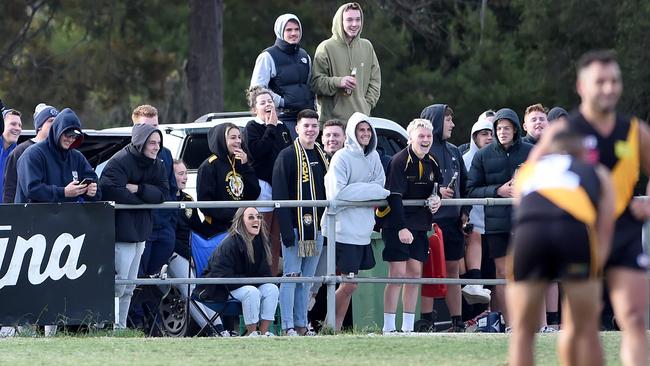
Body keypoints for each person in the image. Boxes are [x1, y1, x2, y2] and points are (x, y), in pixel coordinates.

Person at [567, 50, 649, 366]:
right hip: (580, 234)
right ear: (581, 86)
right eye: (600, 81)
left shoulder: (634, 131)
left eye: (614, 80)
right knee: (578, 325)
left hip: (625, 231)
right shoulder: (566, 132)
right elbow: (530, 178)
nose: (609, 88)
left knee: (632, 317)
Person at [507, 127, 615, 366]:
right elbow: (605, 228)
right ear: (583, 152)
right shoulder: (595, 171)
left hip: (530, 233)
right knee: (585, 329)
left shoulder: (529, 170)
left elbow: (520, 209)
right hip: (572, 231)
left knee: (523, 332)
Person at [322, 112, 389, 331]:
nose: (366, 134)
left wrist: (361, 192)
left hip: (363, 232)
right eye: (362, 130)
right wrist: (369, 191)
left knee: (350, 284)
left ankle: (335, 327)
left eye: (369, 130)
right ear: (353, 132)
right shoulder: (341, 157)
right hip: (342, 231)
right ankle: (329, 326)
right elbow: (337, 193)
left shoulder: (375, 157)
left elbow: (382, 192)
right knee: (348, 284)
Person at [466, 108, 532, 326]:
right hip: (496, 224)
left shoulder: (531, 152)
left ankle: (530, 322)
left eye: (506, 128)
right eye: (498, 128)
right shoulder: (481, 156)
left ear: (515, 129)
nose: (502, 132)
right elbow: (470, 190)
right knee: (502, 273)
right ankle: (511, 324)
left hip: (526, 223)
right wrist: (498, 191)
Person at [99, 123, 169, 330]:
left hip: (142, 231)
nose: (156, 147)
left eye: (158, 143)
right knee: (118, 283)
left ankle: (119, 327)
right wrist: (145, 201)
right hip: (122, 231)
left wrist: (138, 189)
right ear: (140, 143)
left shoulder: (158, 164)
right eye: (152, 143)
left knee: (129, 285)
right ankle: (106, 325)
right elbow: (111, 189)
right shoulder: (119, 161)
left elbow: (163, 193)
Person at [378, 118, 442, 334]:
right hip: (397, 224)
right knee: (397, 274)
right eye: (421, 136)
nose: (425, 140)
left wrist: (437, 199)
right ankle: (388, 327)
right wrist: (401, 228)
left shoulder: (433, 160)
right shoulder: (399, 160)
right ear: (411, 138)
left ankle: (407, 327)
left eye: (428, 136)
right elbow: (394, 197)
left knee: (415, 274)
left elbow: (436, 188)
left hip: (420, 225)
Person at [419, 104, 475, 332]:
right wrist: (436, 190)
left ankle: (457, 321)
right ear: (435, 121)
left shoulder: (454, 151)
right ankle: (425, 321)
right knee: (427, 271)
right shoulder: (421, 149)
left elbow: (466, 185)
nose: (452, 124)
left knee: (453, 270)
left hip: (452, 222)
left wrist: (465, 212)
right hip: (429, 222)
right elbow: (411, 184)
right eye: (448, 120)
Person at [272, 109, 328, 336]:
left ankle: (301, 324)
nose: (311, 130)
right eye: (306, 126)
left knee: (306, 281)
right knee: (292, 277)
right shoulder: (286, 156)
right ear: (297, 128)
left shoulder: (322, 156)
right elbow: (280, 194)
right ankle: (287, 326)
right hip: (295, 230)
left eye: (314, 126)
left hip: (316, 228)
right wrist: (286, 229)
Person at [196, 207, 279, 337]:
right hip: (220, 289)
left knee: (272, 289)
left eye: (258, 217)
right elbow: (222, 276)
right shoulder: (230, 244)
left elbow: (265, 274)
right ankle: (252, 334)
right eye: (251, 217)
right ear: (241, 221)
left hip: (243, 285)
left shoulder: (260, 242)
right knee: (251, 292)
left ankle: (263, 333)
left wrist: (252, 281)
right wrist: (250, 281)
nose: (256, 220)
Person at [245, 86, 292, 275]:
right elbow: (257, 152)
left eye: (270, 101)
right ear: (255, 108)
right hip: (262, 186)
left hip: (281, 187)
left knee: (275, 239)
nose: (267, 105)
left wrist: (275, 126)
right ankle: (259, 276)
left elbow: (288, 154)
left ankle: (271, 278)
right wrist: (270, 127)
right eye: (262, 102)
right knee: (260, 236)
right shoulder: (252, 127)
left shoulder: (282, 127)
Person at [311, 2, 381, 123]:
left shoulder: (367, 46)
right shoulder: (326, 47)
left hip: (360, 123)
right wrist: (339, 82)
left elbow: (375, 81)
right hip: (331, 125)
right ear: (340, 22)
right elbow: (316, 83)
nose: (354, 24)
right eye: (349, 20)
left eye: (358, 19)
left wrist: (366, 105)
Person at [131, 105, 178, 278]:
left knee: (156, 280)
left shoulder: (165, 154)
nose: (152, 131)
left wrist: (169, 219)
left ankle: (150, 306)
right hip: (141, 227)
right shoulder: (128, 155)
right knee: (138, 280)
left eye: (155, 126)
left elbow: (172, 190)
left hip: (164, 227)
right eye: (147, 127)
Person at [15, 108, 99, 204]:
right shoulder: (33, 154)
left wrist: (91, 191)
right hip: (34, 217)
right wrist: (63, 192)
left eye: (75, 136)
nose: (71, 139)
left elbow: (96, 187)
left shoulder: (77, 157)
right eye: (68, 134)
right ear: (57, 131)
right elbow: (31, 189)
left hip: (67, 216)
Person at [250, 14, 315, 138]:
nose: (293, 33)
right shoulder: (267, 56)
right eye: (288, 30)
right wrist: (281, 101)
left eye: (297, 29)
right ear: (280, 31)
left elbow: (310, 84)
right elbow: (257, 89)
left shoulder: (304, 56)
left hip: (306, 118)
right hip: (283, 118)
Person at [197, 123, 260, 237]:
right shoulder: (209, 166)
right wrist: (235, 215)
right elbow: (204, 204)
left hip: (241, 228)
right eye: (233, 137)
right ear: (221, 140)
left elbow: (254, 193)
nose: (238, 141)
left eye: (239, 137)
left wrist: (246, 166)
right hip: (217, 230)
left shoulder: (241, 161)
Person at [309, 118, 346, 309]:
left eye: (336, 135)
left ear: (345, 138)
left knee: (346, 281)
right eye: (328, 135)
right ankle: (305, 323)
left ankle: (334, 324)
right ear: (322, 138)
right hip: (318, 229)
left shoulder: (350, 158)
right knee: (314, 280)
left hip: (346, 229)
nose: (332, 139)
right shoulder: (312, 158)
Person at [461, 110, 494, 305]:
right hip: (472, 221)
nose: (489, 137)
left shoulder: (499, 157)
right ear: (474, 137)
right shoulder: (465, 159)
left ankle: (496, 319)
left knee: (496, 278)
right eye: (484, 133)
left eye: (491, 133)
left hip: (495, 222)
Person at [4, 104, 57, 203]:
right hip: (25, 213)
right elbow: (10, 189)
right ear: (40, 125)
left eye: (20, 125)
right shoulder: (19, 151)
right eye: (50, 121)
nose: (55, 124)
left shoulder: (59, 151)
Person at [1, 108, 22, 198]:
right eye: (13, 124)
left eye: (20, 125)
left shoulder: (20, 155)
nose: (18, 128)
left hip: (10, 210)